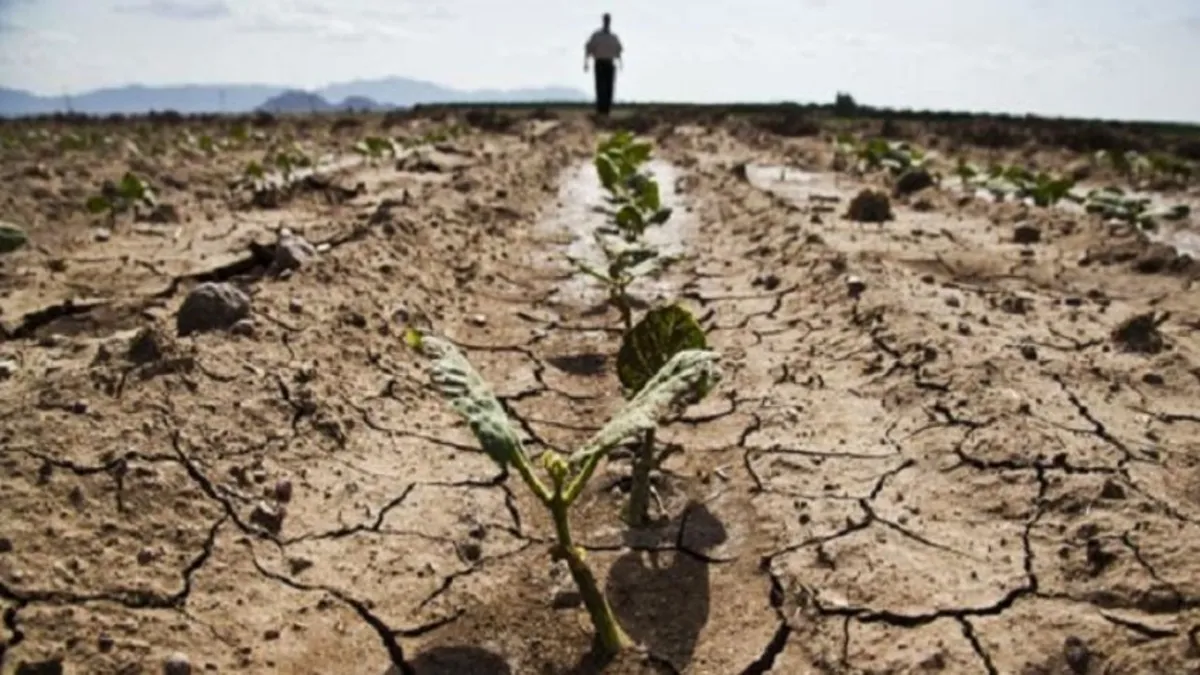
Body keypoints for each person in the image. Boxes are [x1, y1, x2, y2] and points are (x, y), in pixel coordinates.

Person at [584, 13, 622, 116]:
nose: (607, 22)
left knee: (609, 88)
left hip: (609, 63)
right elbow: (588, 48)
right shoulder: (597, 36)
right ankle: (601, 111)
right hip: (599, 63)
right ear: (603, 21)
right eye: (605, 20)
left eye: (608, 20)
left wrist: (620, 63)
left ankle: (607, 111)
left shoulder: (613, 37)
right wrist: (586, 62)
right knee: (601, 87)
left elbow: (619, 50)